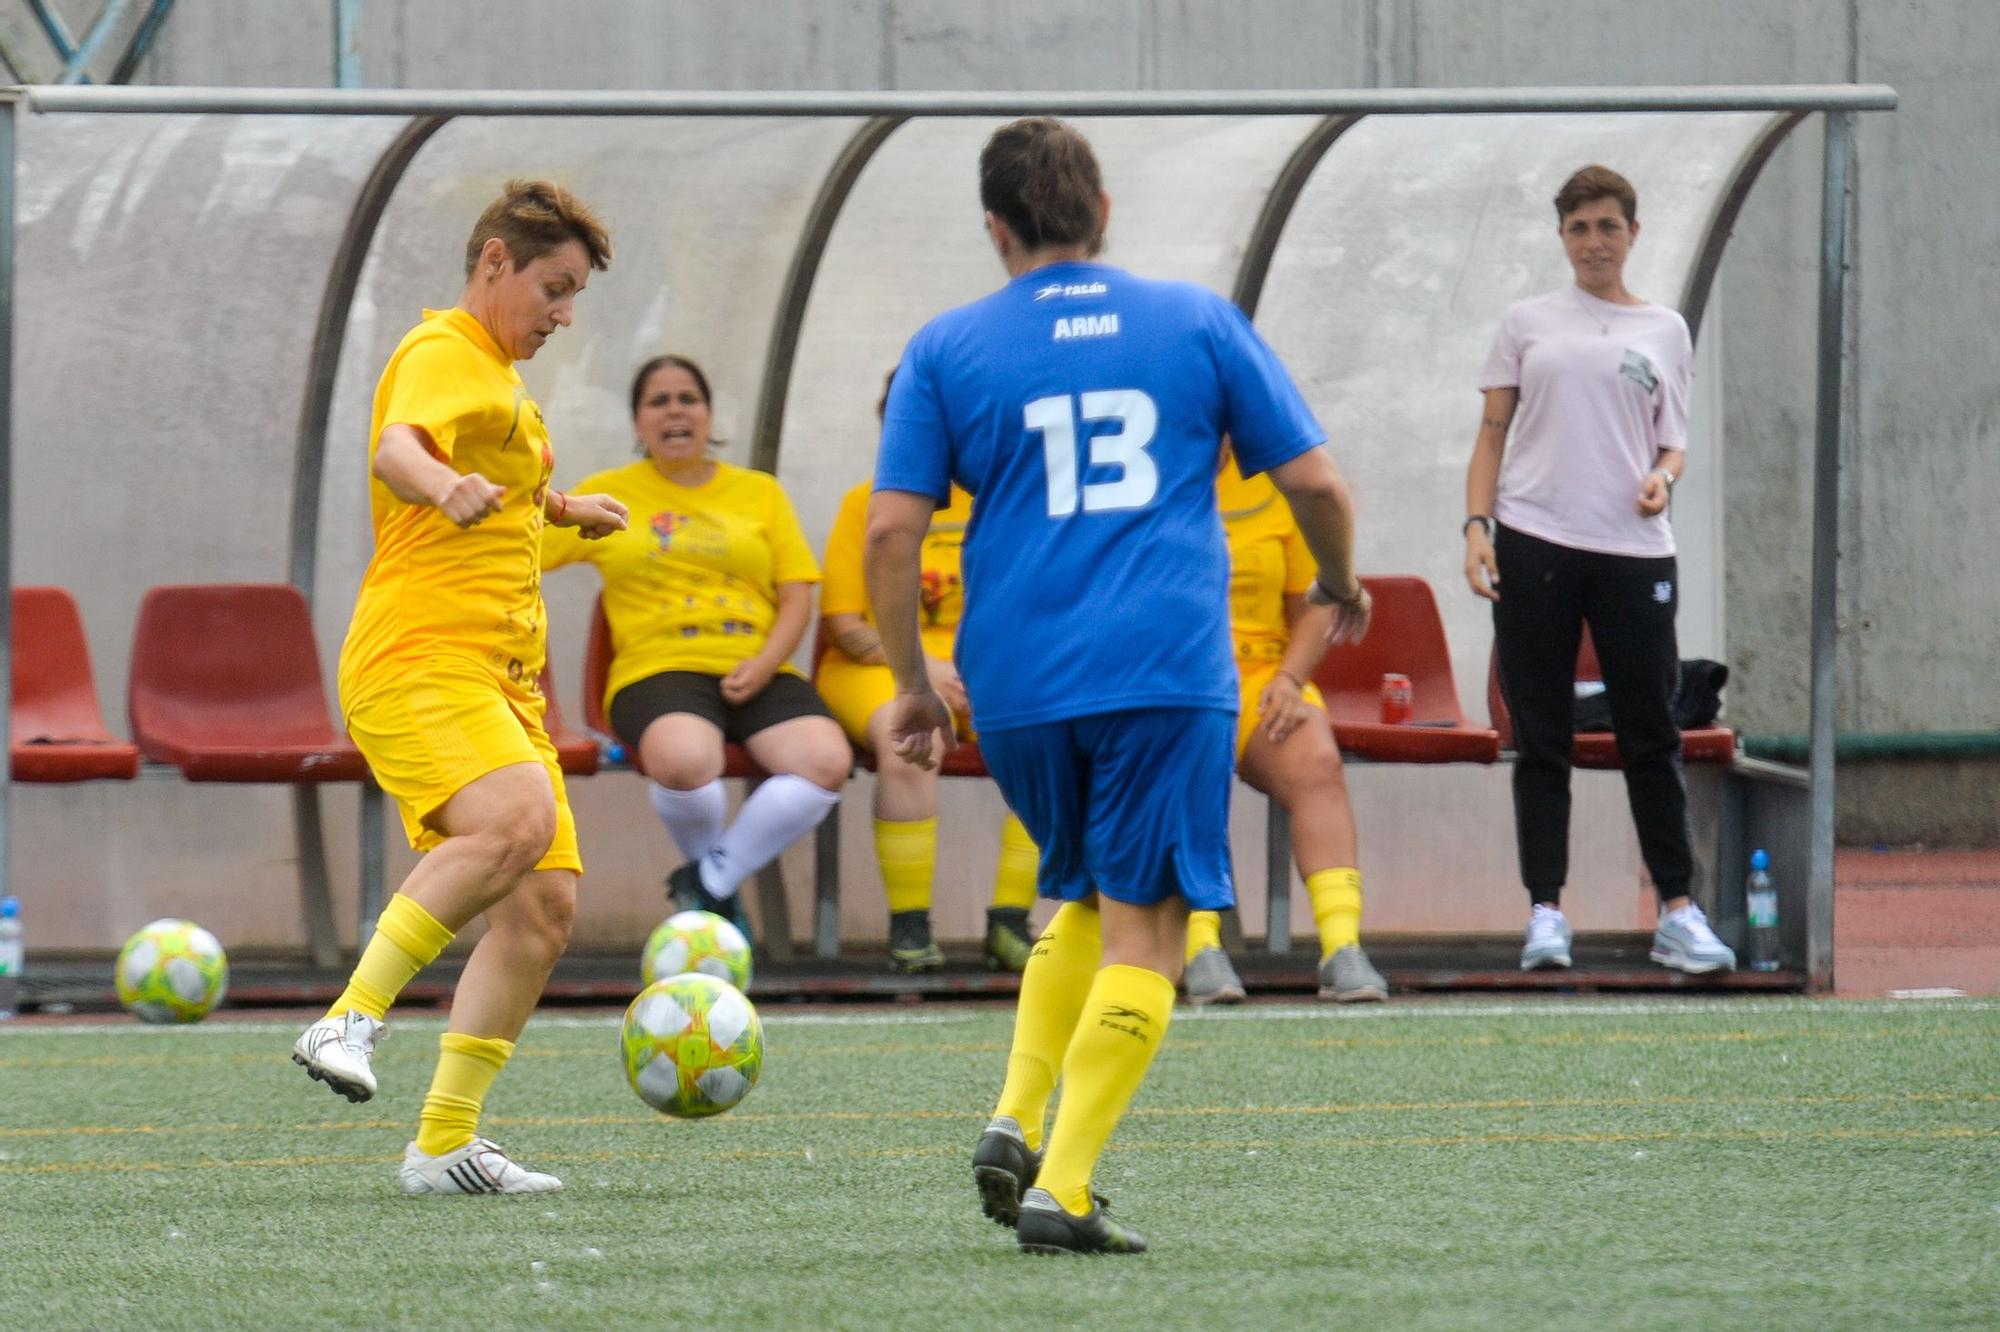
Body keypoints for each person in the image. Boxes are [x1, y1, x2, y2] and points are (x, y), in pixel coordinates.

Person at [867, 117, 1368, 1255]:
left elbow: (894, 531)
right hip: (1158, 666)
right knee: (1148, 922)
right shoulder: (1194, 320)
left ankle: (1012, 1119)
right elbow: (1317, 482)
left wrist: (911, 684)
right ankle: (1068, 1185)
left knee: (1085, 896)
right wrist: (1335, 577)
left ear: (994, 228)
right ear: (1102, 210)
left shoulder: (945, 347)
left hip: (1018, 681)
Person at [292, 179, 626, 1195]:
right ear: (493, 262)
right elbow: (401, 451)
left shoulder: (494, 376)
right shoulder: (442, 350)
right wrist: (443, 485)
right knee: (515, 820)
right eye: (552, 288)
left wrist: (562, 508)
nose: (563, 314)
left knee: (543, 908)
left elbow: (496, 481)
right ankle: (347, 1020)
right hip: (419, 657)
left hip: (497, 676)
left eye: (573, 295)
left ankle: (442, 1142)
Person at [1464, 164, 1734, 976]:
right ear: (1561, 238)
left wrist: (1666, 477)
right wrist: (1477, 527)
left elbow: (1671, 440)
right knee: (1541, 736)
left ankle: (1678, 911)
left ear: (1633, 233)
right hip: (1534, 539)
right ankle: (1546, 911)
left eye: (1608, 227)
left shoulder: (1664, 330)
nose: (1594, 243)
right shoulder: (1526, 322)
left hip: (1634, 551)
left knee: (1651, 733)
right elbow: (1490, 434)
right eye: (1579, 228)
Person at [543, 355, 850, 942]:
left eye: (689, 398)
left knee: (825, 761)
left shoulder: (760, 492)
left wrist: (764, 665)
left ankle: (709, 884)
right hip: (657, 668)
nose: (676, 411)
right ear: (638, 424)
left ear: (710, 416)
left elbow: (795, 597)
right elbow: (527, 551)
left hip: (755, 664)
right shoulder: (608, 494)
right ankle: (721, 892)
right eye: (658, 401)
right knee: (687, 763)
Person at [818, 373, 1040, 975]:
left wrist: (977, 668)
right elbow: (845, 628)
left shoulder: (999, 503)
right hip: (878, 666)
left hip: (979, 670)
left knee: (1046, 732)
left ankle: (1010, 923)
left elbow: (1028, 612)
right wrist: (923, 669)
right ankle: (911, 929)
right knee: (906, 734)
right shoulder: (863, 504)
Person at [1182, 449, 1386, 1006]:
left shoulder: (1277, 485)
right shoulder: (1142, 472)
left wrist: (1292, 679)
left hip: (1261, 674)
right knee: (1184, 766)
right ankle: (1198, 944)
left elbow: (1318, 600)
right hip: (1170, 673)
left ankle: (1341, 947)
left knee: (1316, 762)